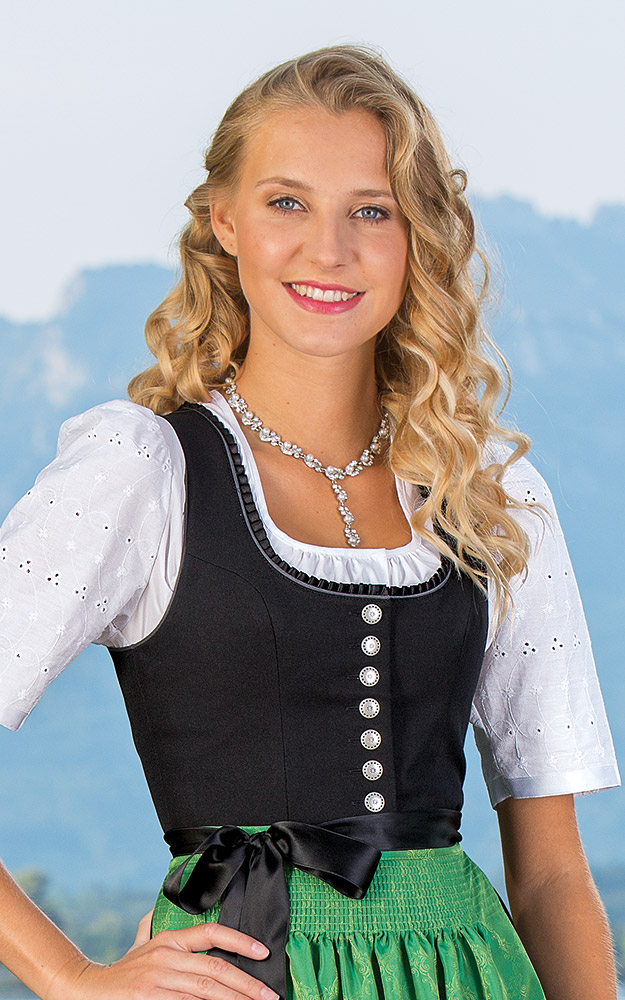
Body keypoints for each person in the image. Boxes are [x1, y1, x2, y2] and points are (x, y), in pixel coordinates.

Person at [0, 43, 620, 1000]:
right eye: (287, 202)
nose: (328, 249)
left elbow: (548, 875)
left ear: (418, 235)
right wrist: (73, 977)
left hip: (467, 976)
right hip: (241, 974)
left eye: (371, 210)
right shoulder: (143, 469)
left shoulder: (489, 493)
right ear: (223, 220)